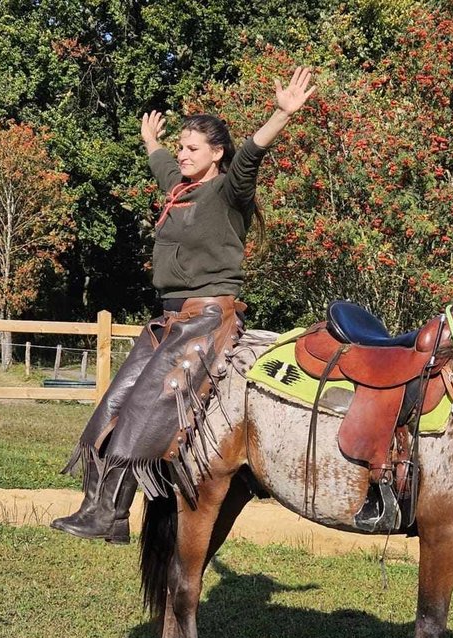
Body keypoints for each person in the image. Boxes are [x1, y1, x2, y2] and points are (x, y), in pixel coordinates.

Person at [52, 66, 316, 542]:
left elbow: (251, 156)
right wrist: (151, 141)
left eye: (193, 148)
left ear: (217, 154)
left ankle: (110, 514)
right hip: (168, 320)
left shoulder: (227, 191)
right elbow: (163, 168)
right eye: (181, 147)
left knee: (141, 416)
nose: (183, 154)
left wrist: (280, 114)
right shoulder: (182, 192)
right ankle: (100, 512)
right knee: (110, 408)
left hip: (208, 318)